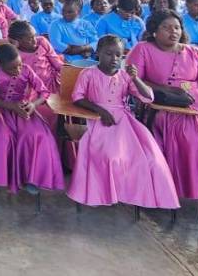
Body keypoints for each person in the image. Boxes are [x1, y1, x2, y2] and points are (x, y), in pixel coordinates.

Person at [127, 10, 198, 244]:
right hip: (166, 109)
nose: (173, 31)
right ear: (154, 31)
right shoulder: (142, 50)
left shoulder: (194, 53)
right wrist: (164, 90)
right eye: (166, 27)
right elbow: (133, 84)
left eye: (176, 27)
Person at [66, 35, 179, 210]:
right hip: (97, 119)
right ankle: (107, 193)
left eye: (118, 55)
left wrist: (135, 78)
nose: (114, 59)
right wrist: (100, 110)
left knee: (150, 158)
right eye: (109, 54)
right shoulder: (88, 73)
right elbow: (77, 97)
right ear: (98, 53)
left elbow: (148, 97)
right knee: (111, 157)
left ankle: (135, 195)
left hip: (123, 120)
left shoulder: (125, 76)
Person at [0, 43, 64, 195]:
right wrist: (11, 107)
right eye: (12, 68)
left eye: (19, 65)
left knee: (37, 136)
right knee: (1, 138)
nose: (17, 70)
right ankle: (1, 177)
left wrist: (33, 104)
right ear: (0, 64)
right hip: (0, 109)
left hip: (24, 110)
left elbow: (44, 92)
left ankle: (32, 178)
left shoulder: (26, 69)